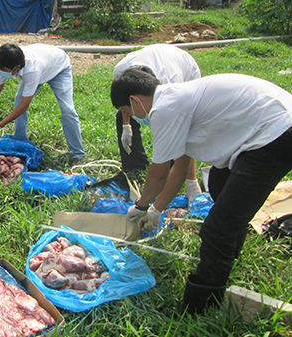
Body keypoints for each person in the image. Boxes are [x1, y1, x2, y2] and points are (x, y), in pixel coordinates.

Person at [111, 69, 292, 314]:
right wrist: (157, 209)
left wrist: (142, 206)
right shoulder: (176, 99)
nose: (131, 117)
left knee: (218, 228)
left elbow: (159, 174)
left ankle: (201, 306)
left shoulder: (164, 109)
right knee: (219, 186)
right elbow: (181, 167)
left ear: (135, 100)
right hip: (267, 125)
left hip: (276, 133)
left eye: (128, 112)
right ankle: (228, 255)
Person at [113, 44, 202, 204]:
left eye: (131, 110)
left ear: (138, 99)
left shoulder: (172, 87)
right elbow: (124, 103)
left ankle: (187, 177)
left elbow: (187, 129)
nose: (131, 115)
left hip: (183, 66)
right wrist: (127, 126)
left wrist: (191, 181)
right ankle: (135, 165)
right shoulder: (120, 72)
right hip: (154, 60)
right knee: (125, 114)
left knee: (179, 134)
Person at [0, 43, 86, 164]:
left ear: (16, 68)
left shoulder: (32, 69)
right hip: (43, 68)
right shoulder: (6, 63)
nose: (1, 72)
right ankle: (20, 139)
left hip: (59, 68)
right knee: (18, 99)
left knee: (68, 110)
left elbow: (24, 106)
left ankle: (78, 154)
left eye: (4, 70)